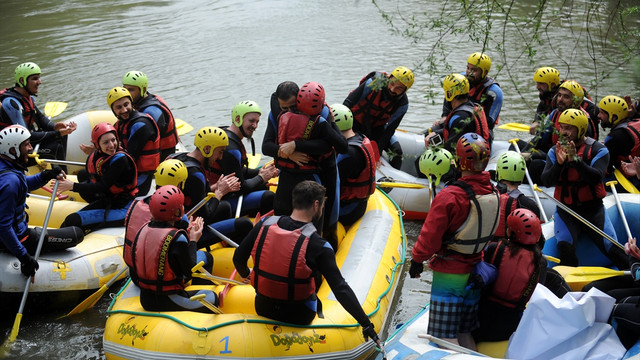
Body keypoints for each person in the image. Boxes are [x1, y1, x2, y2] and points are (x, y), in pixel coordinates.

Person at [232, 181, 380, 345]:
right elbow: (340, 288)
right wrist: (366, 324)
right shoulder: (319, 245)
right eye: (322, 205)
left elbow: (238, 258)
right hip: (298, 315)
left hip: (263, 307)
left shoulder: (263, 225)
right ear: (316, 204)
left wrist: (247, 274)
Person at [409, 133, 500, 350]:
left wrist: (416, 260)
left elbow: (429, 237)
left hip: (451, 274)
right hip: (476, 270)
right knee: (463, 331)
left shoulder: (451, 196)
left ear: (458, 161)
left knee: (444, 338)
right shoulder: (494, 191)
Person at [540, 109, 628, 269]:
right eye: (562, 127)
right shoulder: (555, 151)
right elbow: (546, 181)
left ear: (580, 129)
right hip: (566, 211)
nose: (564, 132)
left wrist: (575, 160)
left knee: (613, 249)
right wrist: (559, 165)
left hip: (592, 211)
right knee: (565, 249)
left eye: (569, 128)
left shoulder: (598, 150)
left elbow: (596, 177)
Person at [0, 125, 84, 279]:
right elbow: (3, 227)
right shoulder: (9, 183)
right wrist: (24, 258)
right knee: (76, 234)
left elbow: (24, 183)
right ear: (13, 150)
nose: (31, 148)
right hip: (19, 238)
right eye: (26, 144)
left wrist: (47, 175)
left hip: (11, 232)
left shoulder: (5, 168)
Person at [271, 82, 348, 248]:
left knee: (326, 217)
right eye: (284, 108)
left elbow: (332, 145)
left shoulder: (321, 115)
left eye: (293, 107)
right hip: (289, 172)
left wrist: (296, 145)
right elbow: (267, 146)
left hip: (322, 170)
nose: (290, 112)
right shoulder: (278, 114)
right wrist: (288, 152)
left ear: (299, 100)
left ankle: (329, 244)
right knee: (283, 215)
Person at [123, 160, 214, 286]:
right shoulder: (177, 216)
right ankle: (195, 289)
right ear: (180, 183)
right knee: (206, 257)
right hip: (161, 280)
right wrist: (193, 239)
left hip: (136, 273)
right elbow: (186, 261)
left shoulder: (137, 204)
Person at [129, 185, 219, 312]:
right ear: (177, 212)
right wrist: (193, 240)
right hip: (168, 299)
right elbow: (189, 270)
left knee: (205, 257)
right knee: (213, 298)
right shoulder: (177, 238)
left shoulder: (142, 230)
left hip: (145, 298)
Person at [168, 127, 252, 248]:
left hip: (177, 221)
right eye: (220, 152)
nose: (221, 158)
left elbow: (195, 196)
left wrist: (217, 186)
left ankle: (224, 242)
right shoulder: (195, 174)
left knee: (225, 206)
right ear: (207, 149)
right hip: (188, 231)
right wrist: (220, 193)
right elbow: (205, 216)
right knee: (244, 224)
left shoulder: (177, 157)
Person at [474, 209, 546, 342]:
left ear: (511, 232)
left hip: (481, 319)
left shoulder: (495, 248)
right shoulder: (540, 262)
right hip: (510, 326)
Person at [58, 122, 138, 232]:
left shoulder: (121, 159)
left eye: (113, 140)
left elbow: (102, 186)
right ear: (97, 145)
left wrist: (72, 186)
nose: (111, 145)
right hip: (110, 200)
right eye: (106, 142)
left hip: (124, 208)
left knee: (73, 220)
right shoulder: (97, 155)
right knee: (71, 220)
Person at [208, 100, 278, 217]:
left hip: (228, 191)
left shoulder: (228, 133)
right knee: (268, 197)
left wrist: (260, 172)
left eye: (257, 122)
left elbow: (237, 171)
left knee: (261, 184)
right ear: (237, 119)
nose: (255, 126)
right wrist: (262, 177)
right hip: (217, 200)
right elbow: (241, 187)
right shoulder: (230, 149)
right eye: (251, 121)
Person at [0, 62, 77, 163]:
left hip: (27, 140)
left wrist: (55, 127)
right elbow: (25, 136)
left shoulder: (27, 97)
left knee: (62, 136)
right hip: (16, 150)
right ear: (22, 80)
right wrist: (57, 133)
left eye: (39, 78)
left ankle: (58, 170)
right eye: (35, 78)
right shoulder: (11, 103)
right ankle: (60, 176)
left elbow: (40, 118)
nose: (40, 82)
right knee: (55, 147)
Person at [343, 66, 413, 169]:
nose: (392, 89)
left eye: (399, 88)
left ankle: (391, 180)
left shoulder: (403, 105)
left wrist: (377, 153)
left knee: (397, 152)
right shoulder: (373, 83)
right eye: (392, 83)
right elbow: (347, 103)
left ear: (405, 91)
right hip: (355, 123)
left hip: (376, 130)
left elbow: (389, 131)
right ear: (389, 79)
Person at [101, 86, 160, 196]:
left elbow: (129, 159)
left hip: (142, 179)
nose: (124, 110)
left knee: (101, 187)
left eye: (126, 104)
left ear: (131, 103)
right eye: (118, 107)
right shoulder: (120, 123)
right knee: (84, 175)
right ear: (113, 110)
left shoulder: (141, 124)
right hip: (130, 173)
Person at [331, 104, 378, 226]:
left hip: (347, 210)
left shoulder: (348, 154)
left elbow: (329, 186)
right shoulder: (359, 138)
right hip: (358, 204)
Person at [424, 74, 491, 154]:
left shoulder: (460, 118)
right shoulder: (470, 107)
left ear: (449, 94)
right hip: (475, 155)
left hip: (464, 161)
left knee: (419, 161)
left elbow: (450, 151)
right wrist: (438, 133)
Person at [122, 70, 179, 161]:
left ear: (143, 90)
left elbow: (135, 148)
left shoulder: (151, 112)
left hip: (162, 158)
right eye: (124, 89)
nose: (126, 93)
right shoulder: (144, 100)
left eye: (131, 90)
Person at [441, 52, 503, 134]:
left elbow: (489, 123)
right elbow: (449, 96)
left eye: (474, 70)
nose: (469, 73)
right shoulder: (460, 80)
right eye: (468, 68)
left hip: (480, 130)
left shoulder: (494, 92)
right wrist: (445, 116)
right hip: (458, 121)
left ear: (484, 72)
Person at [598, 95, 640, 186]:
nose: (598, 116)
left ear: (614, 117)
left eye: (602, 113)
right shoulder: (634, 121)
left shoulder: (614, 137)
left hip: (632, 179)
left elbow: (605, 170)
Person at [530, 67, 561, 135]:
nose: (537, 87)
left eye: (541, 83)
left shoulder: (562, 99)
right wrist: (537, 121)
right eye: (537, 83)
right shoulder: (547, 95)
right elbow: (542, 106)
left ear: (552, 85)